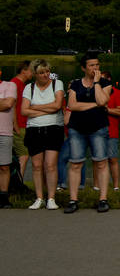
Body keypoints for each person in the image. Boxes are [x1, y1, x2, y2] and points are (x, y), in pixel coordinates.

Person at [65, 51, 113, 213]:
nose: (95, 68)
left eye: (97, 65)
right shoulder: (75, 84)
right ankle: (73, 200)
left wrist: (97, 83)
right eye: (92, 65)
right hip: (77, 129)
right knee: (75, 163)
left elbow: (102, 100)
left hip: (98, 128)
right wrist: (94, 105)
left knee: (101, 162)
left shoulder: (105, 83)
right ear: (83, 68)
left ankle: (103, 198)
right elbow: (72, 105)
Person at [21, 59, 65, 210]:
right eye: (41, 73)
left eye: (47, 71)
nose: (46, 75)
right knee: (36, 165)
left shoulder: (56, 84)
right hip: (34, 129)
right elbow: (24, 110)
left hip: (53, 128)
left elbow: (57, 106)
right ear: (35, 74)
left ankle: (51, 198)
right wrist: (48, 108)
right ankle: (39, 197)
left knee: (50, 165)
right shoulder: (29, 88)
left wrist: (36, 108)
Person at [101, 71, 120, 191]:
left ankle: (116, 186)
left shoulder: (118, 93)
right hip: (97, 131)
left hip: (112, 131)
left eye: (102, 79)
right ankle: (97, 186)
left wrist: (106, 110)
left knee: (113, 159)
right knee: (98, 160)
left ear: (109, 79)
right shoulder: (96, 93)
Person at [10, 60, 34, 180]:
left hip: (24, 124)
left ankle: (16, 183)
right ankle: (18, 184)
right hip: (19, 125)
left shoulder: (23, 85)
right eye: (31, 70)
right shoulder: (14, 84)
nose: (33, 73)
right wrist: (16, 126)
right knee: (23, 156)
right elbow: (12, 106)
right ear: (24, 70)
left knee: (22, 156)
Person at [0, 71, 17, 208]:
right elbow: (3, 103)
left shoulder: (9, 85)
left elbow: (8, 104)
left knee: (4, 166)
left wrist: (5, 102)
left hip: (4, 132)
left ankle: (4, 197)